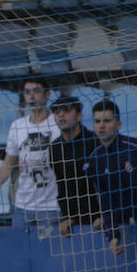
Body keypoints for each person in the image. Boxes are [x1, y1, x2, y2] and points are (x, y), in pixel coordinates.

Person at [84, 99, 137, 253]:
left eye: (107, 120)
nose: (101, 125)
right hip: (130, 229)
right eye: (97, 121)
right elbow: (105, 202)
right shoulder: (94, 159)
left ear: (119, 125)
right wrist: (113, 236)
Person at [0, 80, 62, 232]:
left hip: (51, 206)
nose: (31, 96)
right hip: (22, 206)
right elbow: (8, 162)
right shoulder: (17, 126)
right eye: (27, 92)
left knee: (49, 252)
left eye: (37, 91)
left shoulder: (57, 124)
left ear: (48, 94)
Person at [49, 94, 102, 236]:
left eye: (66, 110)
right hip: (74, 223)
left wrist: (104, 215)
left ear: (79, 116)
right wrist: (68, 217)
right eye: (56, 112)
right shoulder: (54, 148)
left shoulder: (96, 143)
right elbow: (63, 187)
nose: (61, 115)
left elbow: (107, 184)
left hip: (102, 219)